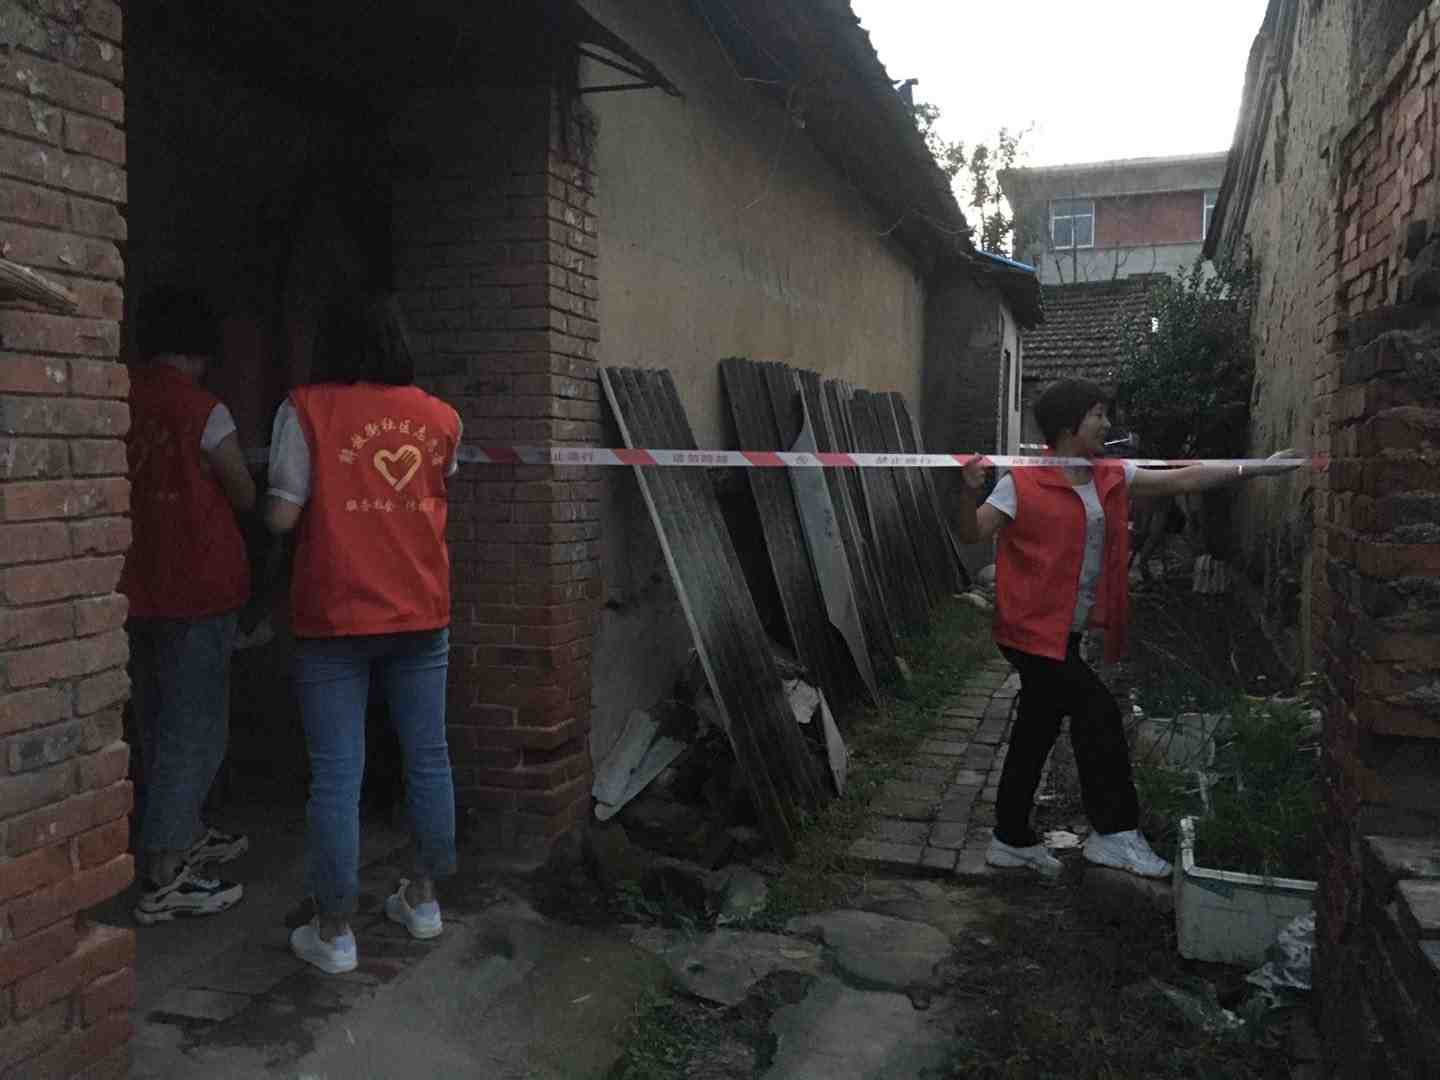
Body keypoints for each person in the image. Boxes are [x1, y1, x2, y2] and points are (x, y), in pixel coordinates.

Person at [955, 378, 1299, 879]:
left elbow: (1183, 479)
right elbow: (973, 532)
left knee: (1037, 728)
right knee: (1097, 712)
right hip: (1028, 632)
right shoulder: (1021, 482)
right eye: (1097, 414)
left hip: (1065, 632)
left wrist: (1259, 468)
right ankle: (1114, 833)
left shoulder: (1107, 474)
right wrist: (968, 492)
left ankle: (1010, 838)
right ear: (1068, 425)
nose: (1107, 423)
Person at [262, 293, 461, 975]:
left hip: (334, 616)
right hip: (420, 613)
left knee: (337, 775)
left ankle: (335, 931)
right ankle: (425, 901)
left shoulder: (305, 409)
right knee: (428, 757)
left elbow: (283, 518)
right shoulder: (441, 418)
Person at [120, 287, 255, 924]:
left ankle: (183, 831)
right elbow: (244, 492)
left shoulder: (117, 397)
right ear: (201, 348)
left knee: (155, 722)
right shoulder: (205, 411)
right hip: (199, 588)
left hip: (136, 584)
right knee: (195, 729)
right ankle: (166, 871)